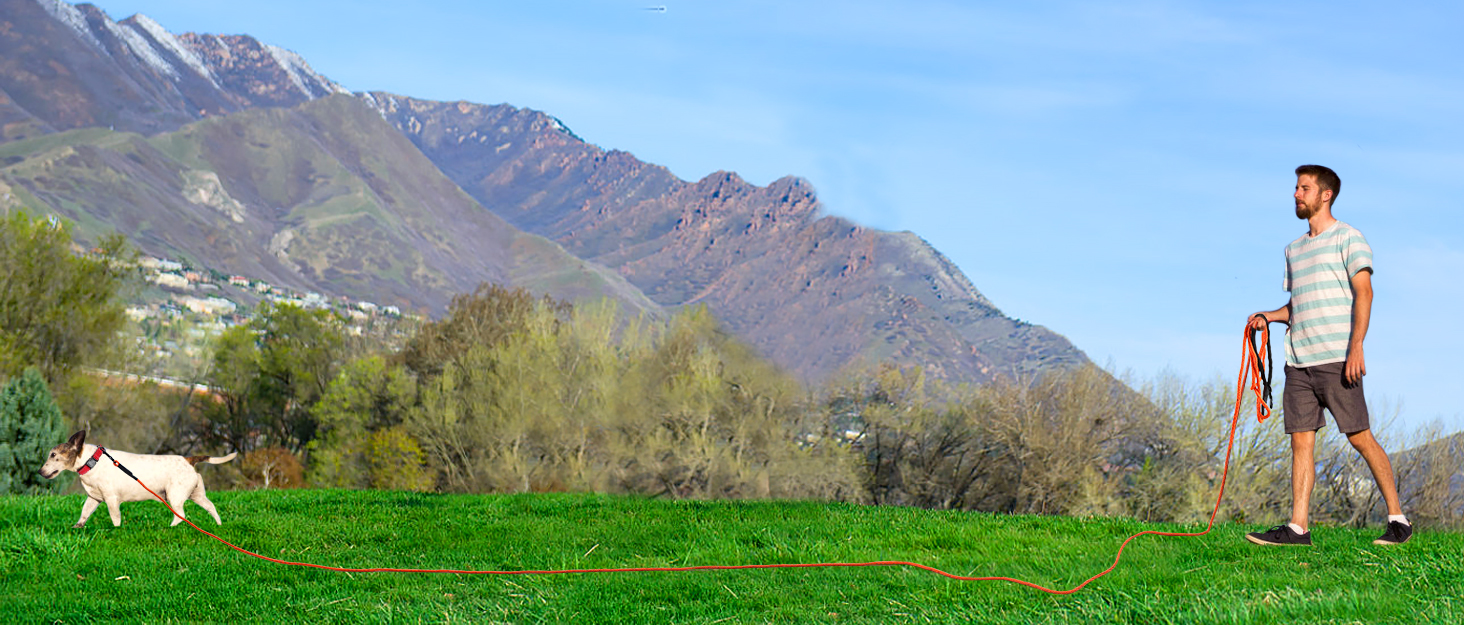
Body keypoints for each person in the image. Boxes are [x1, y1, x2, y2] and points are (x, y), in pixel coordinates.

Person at [1245, 164, 1411, 547]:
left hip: (1338, 358)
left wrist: (1356, 346)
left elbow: (1364, 293)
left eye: (1304, 188)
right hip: (1298, 362)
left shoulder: (1349, 238)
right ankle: (1297, 528)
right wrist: (1268, 318)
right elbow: (1297, 305)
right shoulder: (1294, 250)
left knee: (1359, 437)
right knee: (1301, 442)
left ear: (1325, 195)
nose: (1296, 194)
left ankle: (1398, 520)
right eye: (1296, 187)